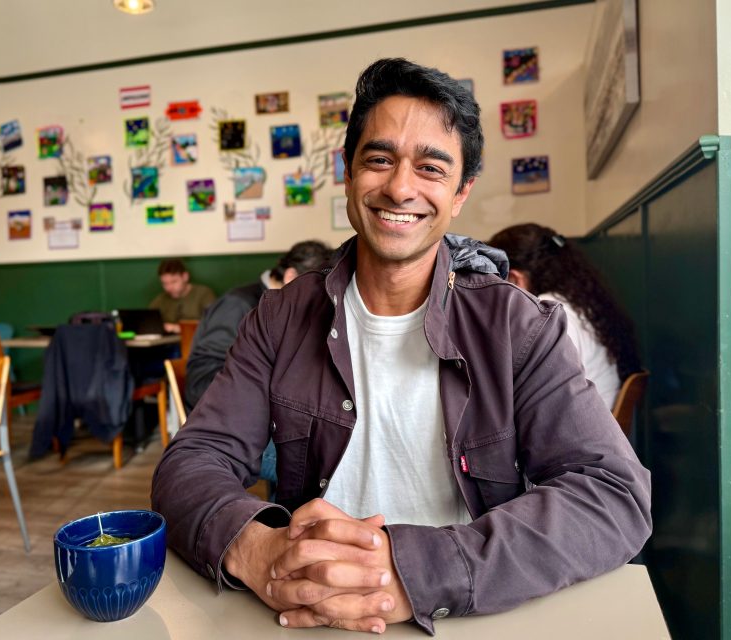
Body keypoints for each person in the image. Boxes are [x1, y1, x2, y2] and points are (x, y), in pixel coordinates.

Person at [152, 58, 651, 635]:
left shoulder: (519, 326)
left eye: (431, 168)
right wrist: (253, 546)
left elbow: (612, 495)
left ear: (460, 193)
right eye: (379, 159)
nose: (400, 187)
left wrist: (416, 571)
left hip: (466, 614)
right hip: (303, 615)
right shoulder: (280, 316)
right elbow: (191, 461)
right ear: (347, 172)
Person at [489, 223, 641, 409]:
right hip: (598, 418)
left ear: (515, 279)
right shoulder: (581, 304)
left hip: (582, 422)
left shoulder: (548, 313)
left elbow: (543, 403)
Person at [184, 240, 334, 412]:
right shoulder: (237, 304)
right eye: (317, 293)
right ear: (291, 276)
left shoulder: (285, 308)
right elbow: (201, 381)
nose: (319, 302)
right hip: (224, 413)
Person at [149, 258, 216, 333]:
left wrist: (177, 328)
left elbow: (213, 323)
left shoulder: (203, 294)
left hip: (195, 338)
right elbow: (149, 324)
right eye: (165, 283)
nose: (169, 288)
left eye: (174, 282)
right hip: (167, 340)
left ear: (185, 277)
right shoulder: (160, 300)